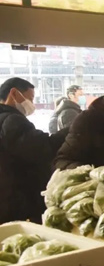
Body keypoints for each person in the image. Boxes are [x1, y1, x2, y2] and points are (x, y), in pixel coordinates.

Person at [0, 77, 68, 223]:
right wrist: (71, 130)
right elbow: (41, 148)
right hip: (16, 199)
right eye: (30, 98)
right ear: (14, 93)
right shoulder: (11, 120)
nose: (32, 104)